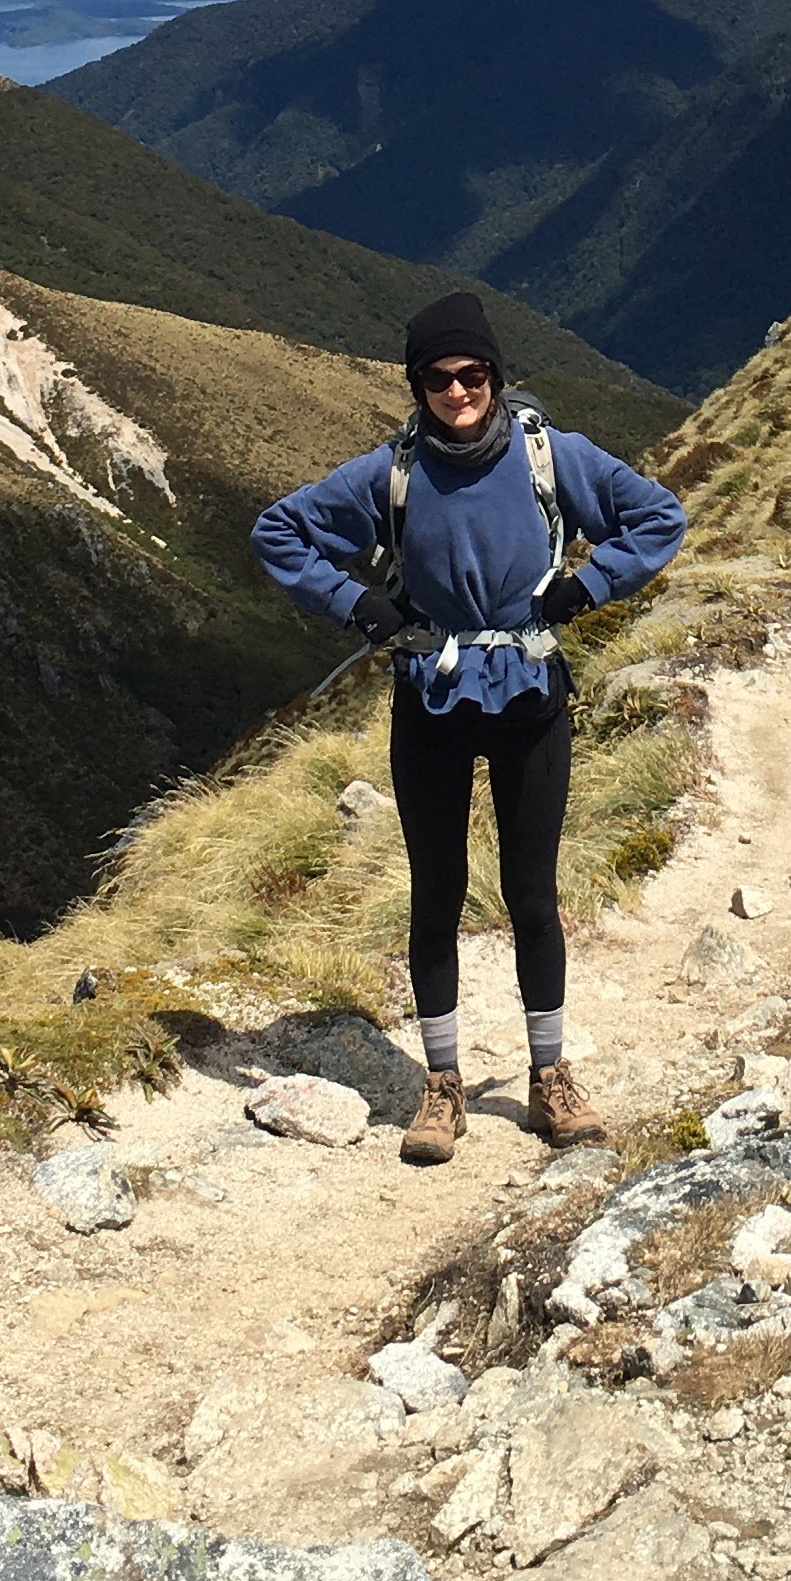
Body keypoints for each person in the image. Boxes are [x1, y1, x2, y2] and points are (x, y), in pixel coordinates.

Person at [251, 290, 686, 1165]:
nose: (459, 393)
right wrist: (360, 607)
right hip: (431, 697)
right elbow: (279, 531)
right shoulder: (392, 474)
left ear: (496, 375)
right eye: (439, 379)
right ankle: (442, 1085)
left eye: (474, 374)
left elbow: (658, 516)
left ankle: (549, 1078)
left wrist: (584, 588)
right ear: (417, 386)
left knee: (531, 894)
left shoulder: (548, 456)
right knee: (436, 892)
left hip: (529, 695)